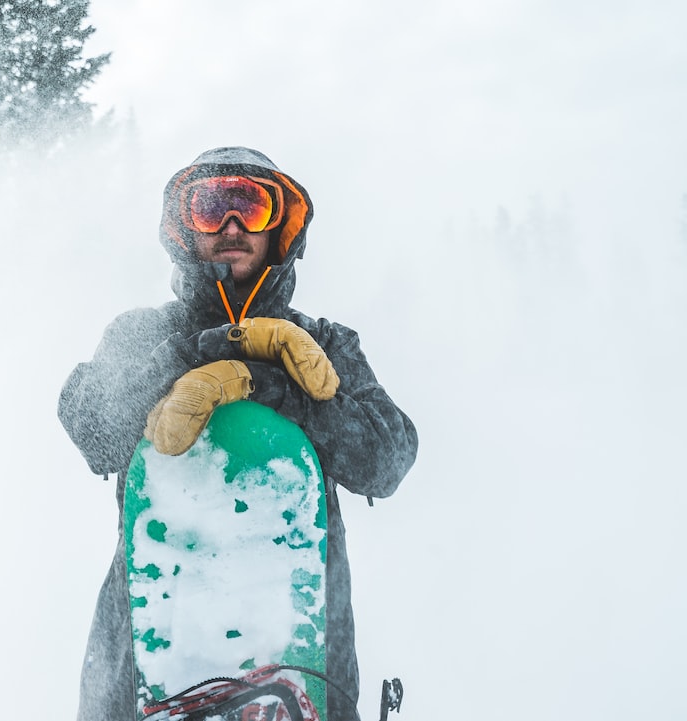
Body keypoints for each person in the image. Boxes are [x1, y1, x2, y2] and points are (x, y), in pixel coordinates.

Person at [58, 146, 418, 720]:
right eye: (211, 207)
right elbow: (91, 427)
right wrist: (191, 355)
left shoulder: (327, 344)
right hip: (144, 654)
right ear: (184, 228)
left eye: (250, 206)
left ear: (280, 226)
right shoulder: (142, 334)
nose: (231, 225)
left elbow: (387, 458)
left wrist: (274, 389)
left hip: (308, 658)